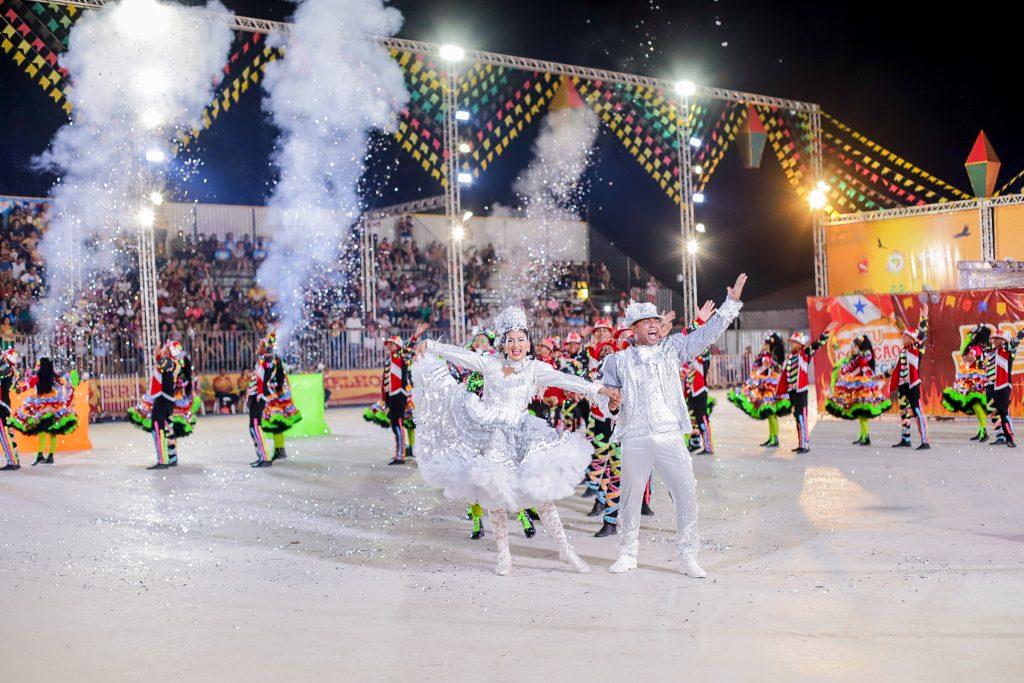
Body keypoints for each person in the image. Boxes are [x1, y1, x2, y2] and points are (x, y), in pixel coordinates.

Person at [412, 306, 620, 576]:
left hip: (524, 435)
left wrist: (600, 389)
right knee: (496, 495)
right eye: (511, 339)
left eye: (521, 339)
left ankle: (565, 548)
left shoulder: (535, 369)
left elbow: (568, 380)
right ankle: (503, 554)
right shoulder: (490, 364)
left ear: (528, 342)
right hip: (493, 437)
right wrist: (430, 345)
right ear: (503, 343)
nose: (516, 344)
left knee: (541, 494)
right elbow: (462, 356)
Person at [600, 274, 746, 577]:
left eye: (656, 320)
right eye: (646, 322)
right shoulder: (616, 361)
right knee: (630, 496)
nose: (654, 324)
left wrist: (730, 305)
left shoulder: (672, 348)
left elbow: (706, 335)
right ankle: (627, 553)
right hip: (635, 436)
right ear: (634, 329)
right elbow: (606, 399)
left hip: (668, 434)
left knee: (685, 493)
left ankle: (688, 555)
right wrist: (611, 404)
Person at [775, 326, 835, 454]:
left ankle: (805, 444)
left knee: (802, 417)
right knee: (797, 416)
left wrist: (826, 332)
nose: (792, 344)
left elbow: (817, 344)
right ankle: (800, 442)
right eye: (792, 342)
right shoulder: (790, 356)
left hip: (801, 391)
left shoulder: (805, 353)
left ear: (800, 344)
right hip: (792, 391)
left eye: (794, 342)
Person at [9, 357, 79, 465]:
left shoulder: (37, 376)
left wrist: (17, 388)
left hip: (40, 405)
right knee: (52, 431)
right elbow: (63, 383)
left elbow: (26, 386)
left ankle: (40, 455)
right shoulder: (55, 376)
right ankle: (50, 456)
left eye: (38, 364)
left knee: (41, 430)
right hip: (53, 404)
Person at [247, 331, 302, 467]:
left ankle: (265, 456)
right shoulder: (267, 359)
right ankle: (268, 454)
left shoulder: (268, 360)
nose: (258, 347)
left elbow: (265, 380)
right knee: (261, 425)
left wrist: (261, 395)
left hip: (264, 398)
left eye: (260, 345)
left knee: (257, 426)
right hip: (264, 397)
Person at [825, 335, 892, 446]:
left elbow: (859, 368)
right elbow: (850, 367)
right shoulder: (857, 357)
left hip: (863, 387)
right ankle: (863, 436)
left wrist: (848, 375)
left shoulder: (864, 356)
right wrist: (844, 373)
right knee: (861, 414)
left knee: (863, 413)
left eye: (853, 345)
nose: (851, 348)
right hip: (858, 386)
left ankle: (866, 437)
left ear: (857, 347)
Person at [727, 333, 790, 447]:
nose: (763, 345)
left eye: (766, 343)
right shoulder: (766, 356)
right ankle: (771, 436)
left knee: (771, 413)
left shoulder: (771, 358)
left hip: (770, 389)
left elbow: (774, 370)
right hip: (764, 387)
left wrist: (768, 365)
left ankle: (774, 438)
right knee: (770, 414)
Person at [381, 323, 427, 466]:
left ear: (398, 346)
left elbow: (407, 346)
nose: (389, 347)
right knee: (395, 425)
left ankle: (400, 455)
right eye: (388, 345)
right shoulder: (389, 359)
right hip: (392, 396)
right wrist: (384, 399)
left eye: (392, 344)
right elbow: (385, 381)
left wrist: (416, 335)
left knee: (398, 423)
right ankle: (399, 453)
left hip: (400, 394)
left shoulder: (401, 356)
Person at [942, 324, 995, 442]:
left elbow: (963, 354)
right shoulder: (985, 347)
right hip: (978, 380)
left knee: (976, 403)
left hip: (976, 381)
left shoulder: (976, 348)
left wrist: (969, 336)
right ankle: (981, 430)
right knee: (975, 405)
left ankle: (983, 430)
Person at [889, 303, 930, 449]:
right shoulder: (903, 352)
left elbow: (922, 333)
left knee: (917, 411)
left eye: (905, 336)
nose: (903, 338)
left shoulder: (917, 349)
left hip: (913, 385)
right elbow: (896, 369)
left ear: (911, 339)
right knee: (904, 412)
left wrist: (924, 316)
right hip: (903, 386)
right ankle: (905, 439)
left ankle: (925, 441)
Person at [989, 327, 1024, 448]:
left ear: (1002, 340)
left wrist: (1022, 332)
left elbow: (1015, 341)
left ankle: (1010, 438)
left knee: (1004, 413)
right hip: (997, 386)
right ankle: (1006, 437)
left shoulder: (1008, 349)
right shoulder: (996, 351)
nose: (994, 340)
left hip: (1004, 386)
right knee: (1002, 413)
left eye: (997, 339)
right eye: (994, 338)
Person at [0, 346, 22, 471]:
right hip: (4, 403)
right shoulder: (12, 371)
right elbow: (17, 388)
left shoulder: (7, 370)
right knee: (7, 432)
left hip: (2, 405)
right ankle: (14, 459)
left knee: (5, 432)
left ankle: (13, 461)